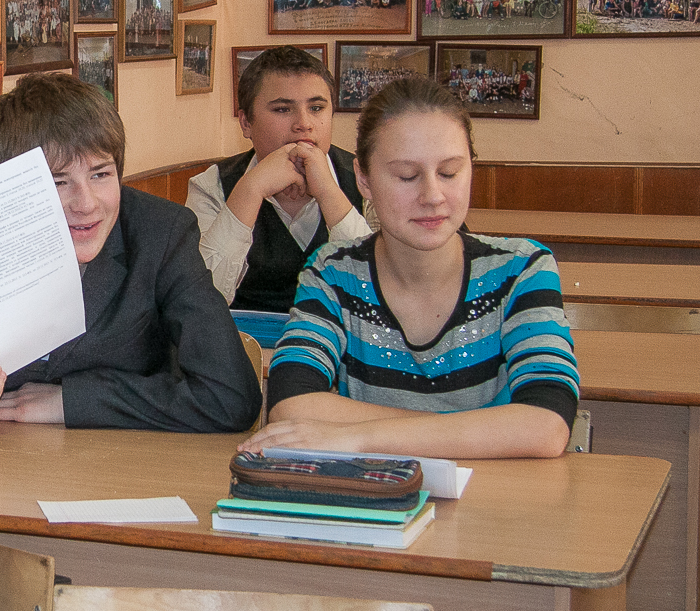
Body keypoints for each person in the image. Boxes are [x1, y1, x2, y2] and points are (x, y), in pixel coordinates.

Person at [0, 73, 260, 432]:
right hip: (2, 460)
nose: (87, 204)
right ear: (8, 187)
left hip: (125, 461)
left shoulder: (161, 233)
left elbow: (231, 396)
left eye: (101, 174)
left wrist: (70, 401)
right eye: (58, 182)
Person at [241, 77, 578, 460]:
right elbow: (290, 405)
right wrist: (478, 430)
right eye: (406, 176)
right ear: (364, 179)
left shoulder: (522, 269)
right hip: (376, 492)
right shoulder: (333, 272)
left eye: (449, 172)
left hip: (495, 493)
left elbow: (547, 423)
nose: (432, 196)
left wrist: (362, 437)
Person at [186, 46, 370, 313]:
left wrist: (329, 193)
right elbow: (199, 301)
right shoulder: (211, 185)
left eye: (316, 108)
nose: (304, 123)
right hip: (247, 336)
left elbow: (380, 294)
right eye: (283, 109)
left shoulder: (367, 180)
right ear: (246, 123)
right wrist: (251, 189)